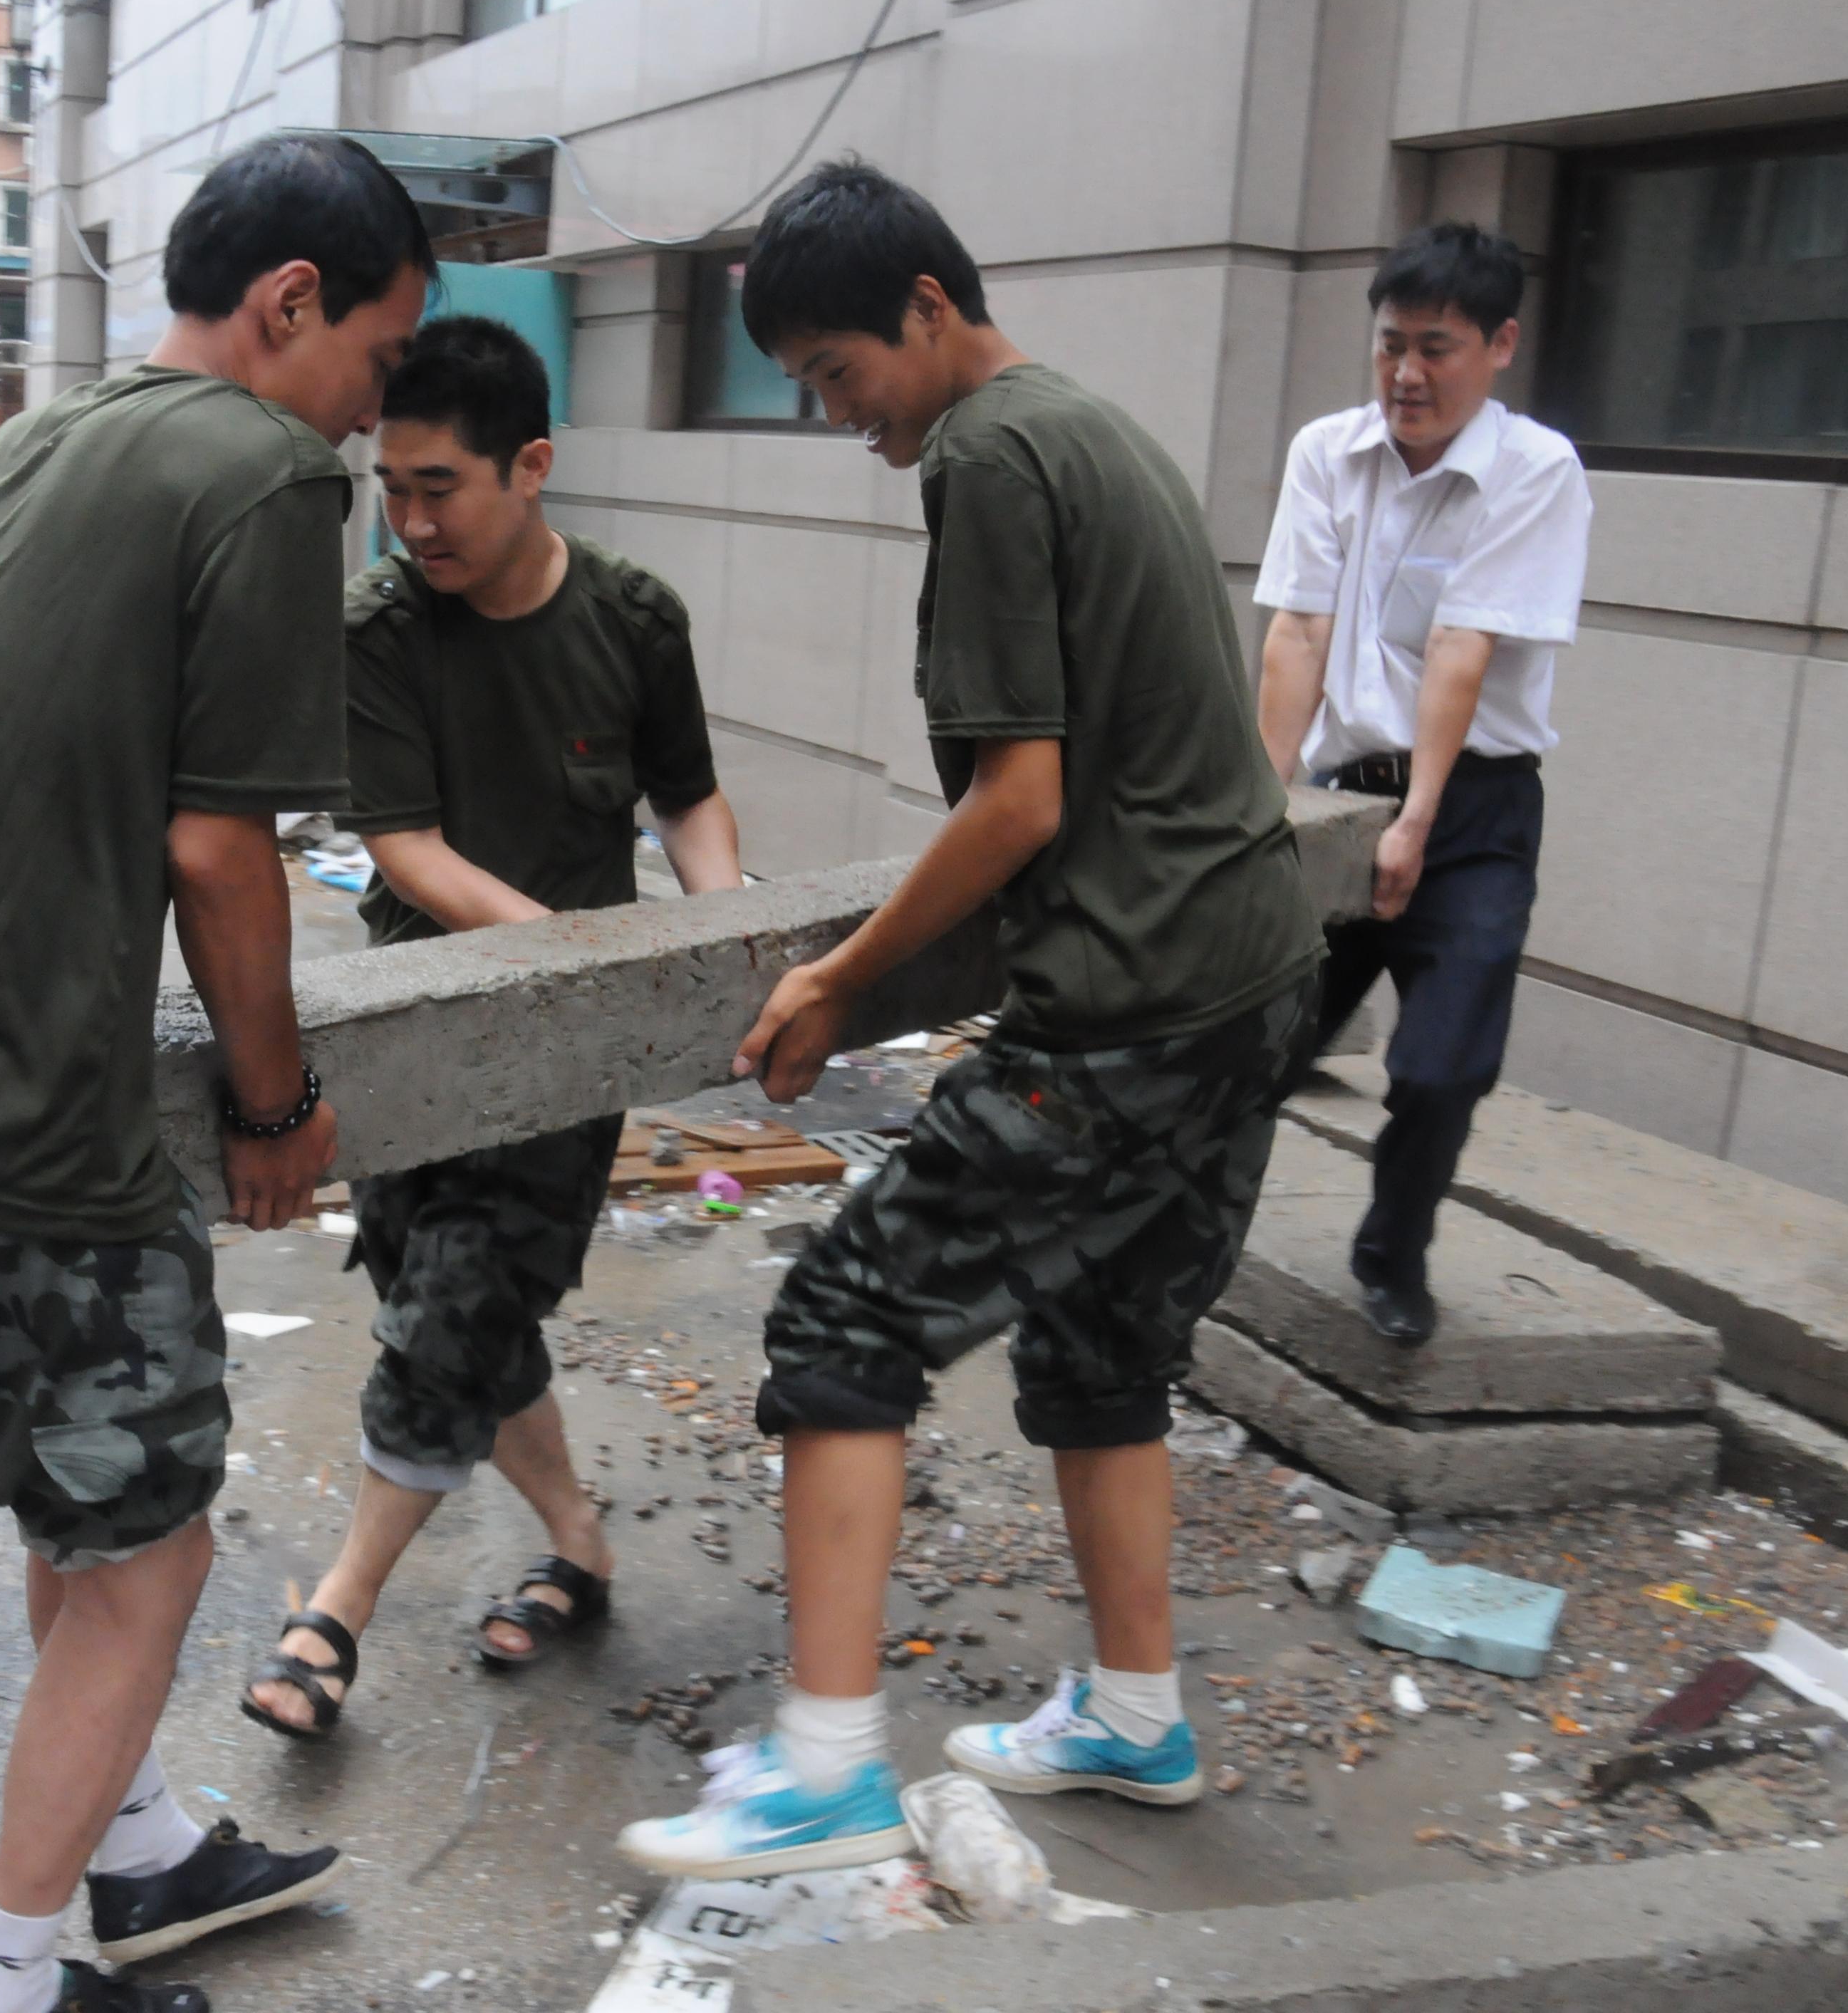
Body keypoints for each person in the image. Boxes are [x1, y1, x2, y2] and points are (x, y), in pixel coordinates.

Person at [0, 133, 434, 2013]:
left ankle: (132, 1851)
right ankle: (1, 1982)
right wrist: (278, 1109)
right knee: (150, 1556)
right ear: (290, 305)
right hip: (0, 1130)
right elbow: (220, 852)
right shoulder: (262, 472)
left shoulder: (42, 439)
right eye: (377, 357)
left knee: (94, 1507)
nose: (373, 413)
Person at [616, 161, 1324, 1879]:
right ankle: (1135, 1716)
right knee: (1101, 1343)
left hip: (1133, 1004)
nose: (833, 410)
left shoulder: (989, 457)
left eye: (837, 368)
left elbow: (1018, 799)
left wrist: (838, 975)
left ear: (927, 307)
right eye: (804, 382)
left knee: (843, 1319)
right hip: (1249, 980)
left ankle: (825, 1773)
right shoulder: (1093, 427)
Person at [242, 314, 744, 1739]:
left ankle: (335, 1613)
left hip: (569, 1050)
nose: (410, 522)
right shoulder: (380, 629)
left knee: (458, 1300)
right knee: (449, 1296)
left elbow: (687, 796)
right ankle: (578, 1541)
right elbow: (405, 846)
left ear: (531, 465)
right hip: (411, 1028)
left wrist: (718, 938)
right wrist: (569, 946)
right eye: (391, 488)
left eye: (439, 488)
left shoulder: (634, 620)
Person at [1253, 222, 1593, 1348]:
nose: (1406, 372)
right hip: (1344, 798)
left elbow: (1463, 646)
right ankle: (1180, 1231)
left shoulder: (1536, 472)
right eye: (1391, 344)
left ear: (1501, 345)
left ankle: (1393, 1255)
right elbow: (1298, 631)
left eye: (1435, 348)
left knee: (1444, 1067)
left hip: (1475, 812)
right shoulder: (1327, 453)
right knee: (1253, 1040)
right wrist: (1263, 807)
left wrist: (1419, 822)